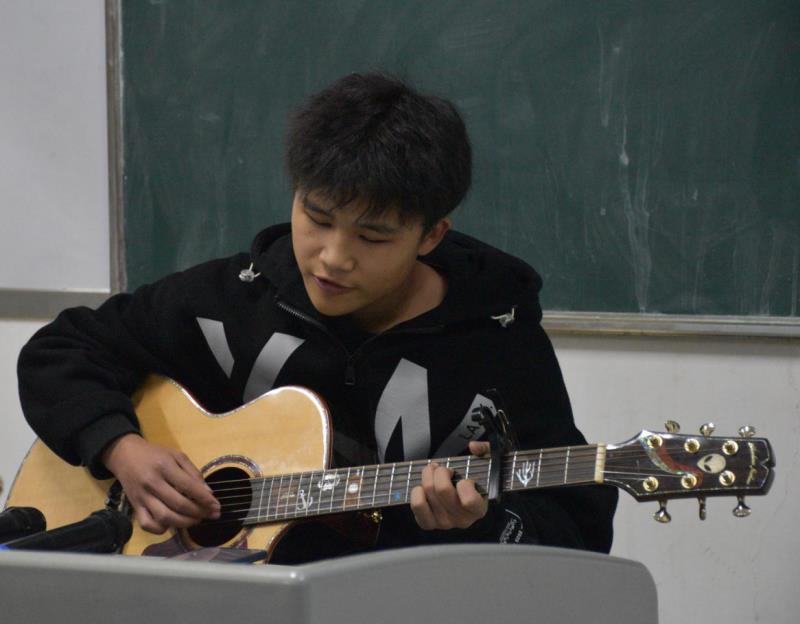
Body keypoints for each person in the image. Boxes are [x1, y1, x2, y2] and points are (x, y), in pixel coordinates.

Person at [17, 73, 617, 557]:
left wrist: (482, 523)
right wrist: (119, 447)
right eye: (317, 217)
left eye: (372, 237)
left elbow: (577, 526)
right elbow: (61, 349)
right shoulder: (237, 298)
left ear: (431, 235)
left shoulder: (498, 344)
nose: (332, 258)